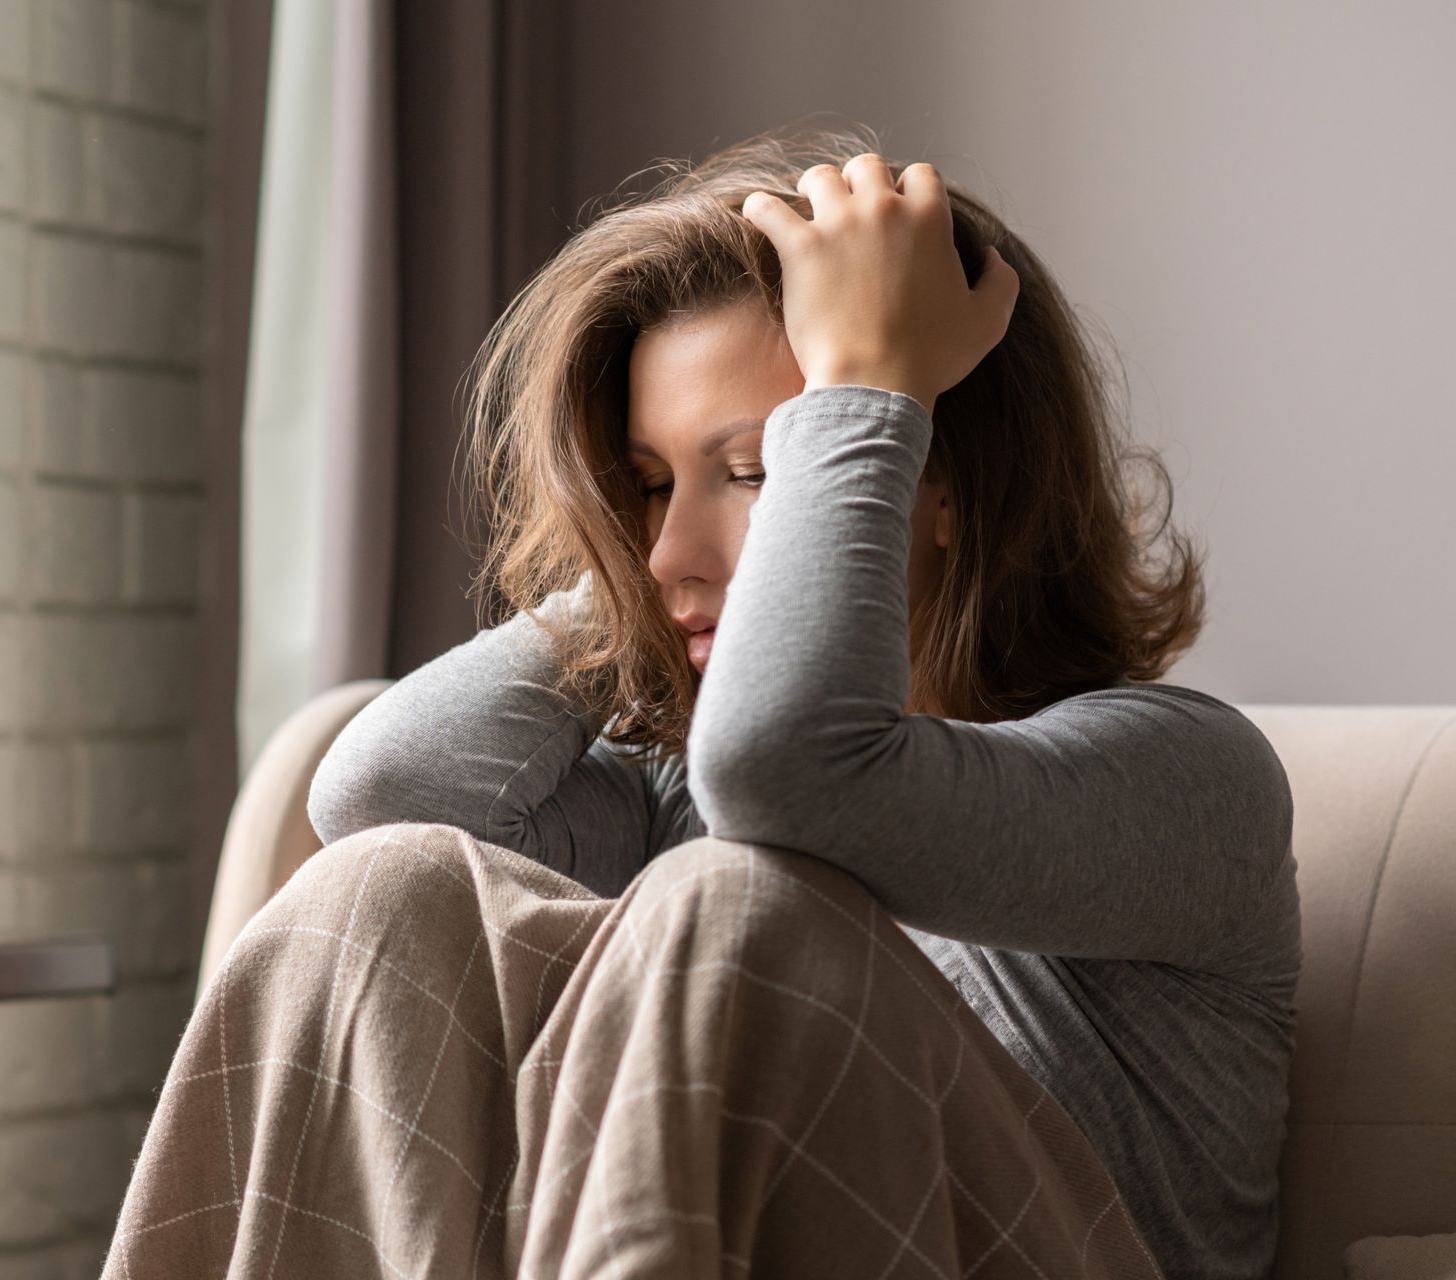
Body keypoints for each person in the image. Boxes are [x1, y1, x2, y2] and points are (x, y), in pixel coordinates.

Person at [103, 120, 1299, 1280]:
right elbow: (384, 796)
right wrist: (631, 574)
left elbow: (791, 769)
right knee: (387, 884)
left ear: (936, 480)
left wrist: (869, 381)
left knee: (739, 898)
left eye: (753, 470)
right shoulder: (677, 795)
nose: (670, 547)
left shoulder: (1185, 778)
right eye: (648, 483)